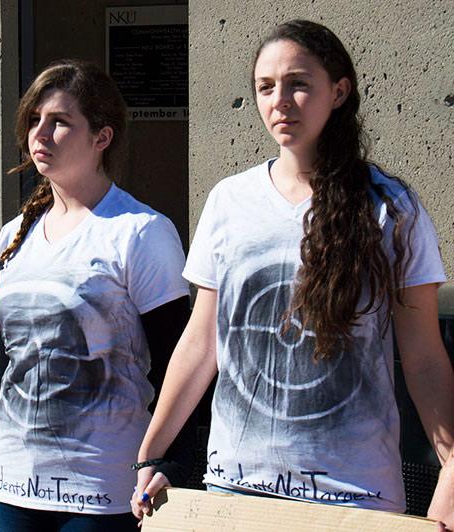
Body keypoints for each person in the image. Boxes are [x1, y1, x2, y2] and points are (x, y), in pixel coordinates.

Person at [132, 19, 454, 529]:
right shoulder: (228, 200)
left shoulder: (392, 207)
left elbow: (423, 357)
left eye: (299, 83)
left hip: (355, 498)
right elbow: (201, 343)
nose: (280, 100)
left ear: (339, 91)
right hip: (233, 491)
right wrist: (150, 455)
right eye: (265, 87)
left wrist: (453, 470)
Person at [0, 59, 192, 531]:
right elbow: (6, 361)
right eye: (34, 120)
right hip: (15, 481)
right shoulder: (14, 235)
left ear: (101, 137)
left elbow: (177, 363)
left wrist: (171, 463)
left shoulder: (141, 233)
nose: (39, 134)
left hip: (103, 487)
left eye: (59, 122)